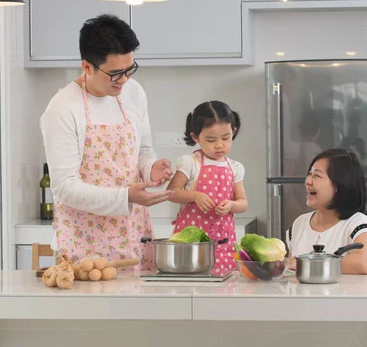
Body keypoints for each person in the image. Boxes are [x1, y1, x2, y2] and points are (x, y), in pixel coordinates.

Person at [40, 14, 174, 270]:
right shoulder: (62, 110)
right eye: (115, 73)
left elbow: (143, 150)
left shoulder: (134, 93)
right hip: (85, 246)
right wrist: (125, 197)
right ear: (87, 66)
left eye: (129, 69)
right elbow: (65, 188)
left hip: (134, 234)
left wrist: (150, 167)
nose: (124, 80)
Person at [166, 101, 248, 275]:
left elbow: (243, 203)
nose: (219, 145)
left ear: (233, 132)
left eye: (225, 138)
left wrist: (231, 206)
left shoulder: (235, 167)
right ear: (195, 137)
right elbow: (171, 193)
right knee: (191, 285)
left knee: (221, 288)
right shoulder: (190, 162)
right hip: (191, 244)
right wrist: (194, 196)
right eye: (211, 140)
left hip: (222, 242)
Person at [286, 148, 367, 274]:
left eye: (316, 176)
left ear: (339, 185)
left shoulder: (356, 223)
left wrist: (310, 265)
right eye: (309, 174)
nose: (307, 181)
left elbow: (364, 263)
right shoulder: (300, 224)